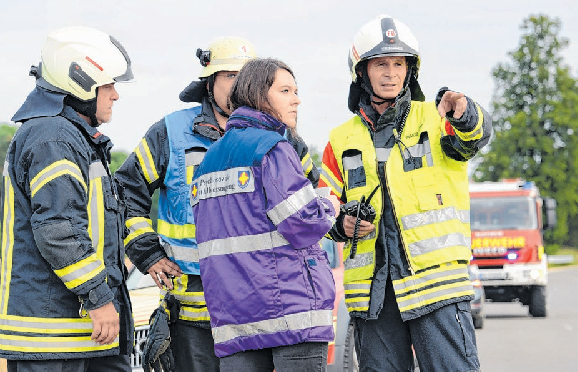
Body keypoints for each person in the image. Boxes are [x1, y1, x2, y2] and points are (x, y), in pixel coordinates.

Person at [115, 37, 321, 372]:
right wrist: (147, 252)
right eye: (228, 77)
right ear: (210, 83)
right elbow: (124, 192)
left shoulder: (284, 139)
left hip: (264, 311)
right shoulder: (171, 132)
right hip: (194, 312)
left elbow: (312, 201)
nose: (237, 86)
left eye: (245, 77)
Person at [319, 15, 492, 372]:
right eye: (381, 63)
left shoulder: (436, 116)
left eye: (399, 63)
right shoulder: (339, 140)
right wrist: (342, 223)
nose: (391, 73)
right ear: (361, 71)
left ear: (410, 70)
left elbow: (475, 135)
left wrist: (465, 112)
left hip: (438, 291)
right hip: (375, 299)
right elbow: (322, 208)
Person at [0, 26, 135, 371]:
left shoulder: (71, 137)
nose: (115, 95)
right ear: (81, 79)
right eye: (109, 84)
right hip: (55, 337)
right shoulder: (53, 138)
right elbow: (59, 229)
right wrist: (100, 298)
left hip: (81, 335)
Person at [190, 58, 340, 372]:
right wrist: (329, 206)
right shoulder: (273, 147)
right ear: (259, 96)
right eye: (285, 90)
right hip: (291, 310)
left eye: (295, 91)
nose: (296, 99)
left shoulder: (207, 161)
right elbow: (303, 224)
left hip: (234, 318)